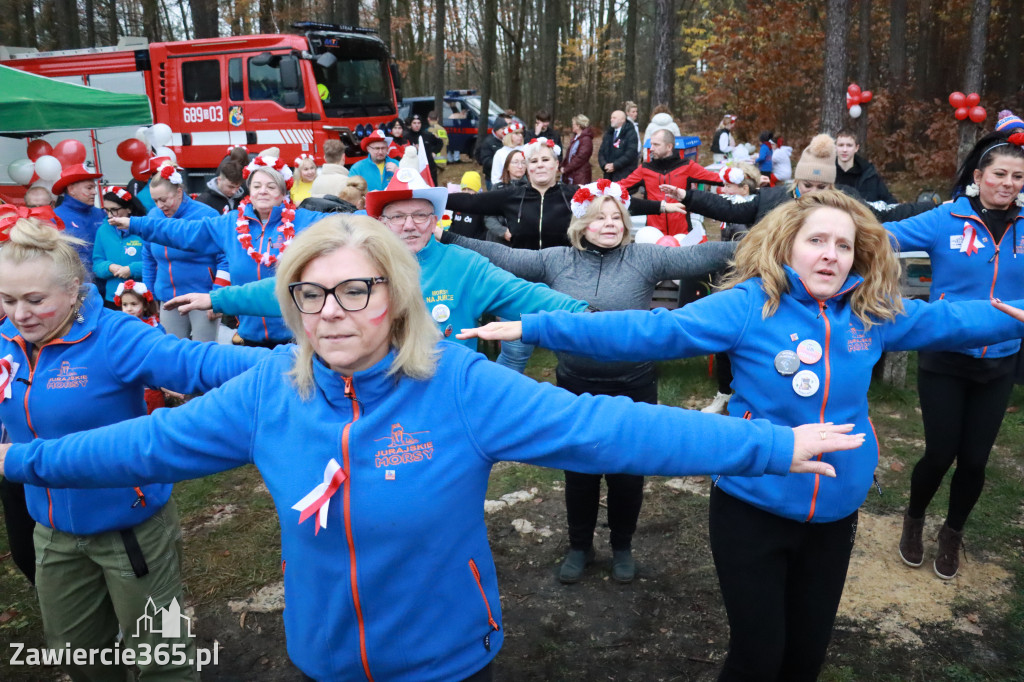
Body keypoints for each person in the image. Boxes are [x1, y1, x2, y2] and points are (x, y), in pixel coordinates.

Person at [0, 213, 864, 682]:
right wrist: (15, 461)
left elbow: (609, 428)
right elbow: (142, 445)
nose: (330, 312)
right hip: (325, 658)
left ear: (399, 299)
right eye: (309, 294)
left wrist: (763, 448)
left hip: (447, 658)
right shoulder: (270, 390)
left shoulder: (459, 385)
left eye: (355, 291)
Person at [462, 189, 1024, 682]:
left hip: (836, 508)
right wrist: (538, 325)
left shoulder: (871, 311)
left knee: (805, 658)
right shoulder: (751, 303)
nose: (830, 254)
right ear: (787, 245)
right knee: (758, 657)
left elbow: (955, 321)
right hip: (753, 502)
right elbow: (653, 330)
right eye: (817, 240)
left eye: (844, 245)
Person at [0, 217, 266, 681]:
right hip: (51, 533)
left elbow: (196, 362)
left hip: (128, 531)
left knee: (161, 656)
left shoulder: (114, 336)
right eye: (7, 300)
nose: (19, 314)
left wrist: (296, 360)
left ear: (76, 292)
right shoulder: (6, 338)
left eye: (35, 300)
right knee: (75, 655)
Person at [439, 180, 736, 583]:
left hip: (633, 386)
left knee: (628, 471)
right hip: (575, 385)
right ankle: (579, 545)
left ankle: (622, 546)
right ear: (582, 224)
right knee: (579, 471)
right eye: (599, 218)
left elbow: (703, 255)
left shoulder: (645, 258)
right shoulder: (556, 260)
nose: (610, 224)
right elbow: (504, 255)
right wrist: (448, 235)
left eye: (617, 217)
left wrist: (764, 241)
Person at [163, 154, 590, 353]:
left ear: (436, 219)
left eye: (421, 216)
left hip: (447, 400)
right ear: (382, 222)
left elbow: (533, 298)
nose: (409, 226)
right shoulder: (358, 260)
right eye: (398, 216)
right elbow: (289, 290)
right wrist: (217, 299)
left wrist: (592, 317)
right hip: (371, 396)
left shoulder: (465, 267)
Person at [888, 129, 1024, 580]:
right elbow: (885, 236)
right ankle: (914, 519)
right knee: (940, 452)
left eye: (1018, 177)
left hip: (1000, 359)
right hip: (945, 357)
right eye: (1000, 174)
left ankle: (952, 532)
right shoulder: (946, 219)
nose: (1008, 183)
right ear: (979, 176)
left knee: (975, 461)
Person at [445, 137, 684, 371]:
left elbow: (620, 202)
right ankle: (498, 401)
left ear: (557, 165)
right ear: (527, 167)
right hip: (520, 282)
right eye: (534, 160)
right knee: (515, 354)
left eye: (545, 159)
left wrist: (662, 206)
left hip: (560, 281)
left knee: (576, 350)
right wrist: (428, 199)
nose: (539, 165)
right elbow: (470, 202)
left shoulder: (574, 195)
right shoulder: (510, 196)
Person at [110, 153, 328, 347]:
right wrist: (136, 224)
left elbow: (347, 223)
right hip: (249, 336)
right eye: (257, 186)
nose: (263, 191)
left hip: (297, 337)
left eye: (271, 187)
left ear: (283, 192)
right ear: (248, 191)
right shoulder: (230, 224)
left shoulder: (303, 221)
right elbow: (184, 231)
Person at [660, 134, 935, 226]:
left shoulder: (847, 200)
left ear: (832, 186)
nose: (814, 192)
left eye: (822, 187)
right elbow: (730, 208)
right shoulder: (773, 199)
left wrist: (937, 206)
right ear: (797, 182)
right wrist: (688, 196)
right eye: (808, 185)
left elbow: (890, 213)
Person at [140, 161, 227, 342]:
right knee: (172, 353)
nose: (160, 205)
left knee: (203, 353)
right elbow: (148, 257)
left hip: (202, 296)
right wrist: (149, 294)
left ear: (179, 192)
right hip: (168, 299)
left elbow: (225, 257)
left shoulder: (206, 215)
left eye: (164, 199)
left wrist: (217, 296)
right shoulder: (153, 216)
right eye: (155, 201)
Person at [701, 163, 761, 416]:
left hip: (750, 283)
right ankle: (723, 394)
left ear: (744, 189)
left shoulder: (755, 213)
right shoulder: (729, 213)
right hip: (727, 281)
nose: (724, 190)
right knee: (725, 342)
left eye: (729, 185)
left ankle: (753, 396)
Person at [620, 128, 721, 237]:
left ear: (669, 147)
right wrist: (601, 187)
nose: (651, 148)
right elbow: (618, 187)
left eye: (656, 145)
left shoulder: (687, 166)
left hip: (682, 233)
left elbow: (717, 178)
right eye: (651, 144)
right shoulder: (644, 169)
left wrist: (737, 175)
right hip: (654, 235)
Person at [92, 185, 146, 307]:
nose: (110, 215)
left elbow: (156, 263)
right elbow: (97, 264)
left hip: (141, 297)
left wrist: (132, 270)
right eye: (106, 210)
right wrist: (109, 267)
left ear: (129, 209)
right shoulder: (103, 230)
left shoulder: (144, 229)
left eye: (114, 209)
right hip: (113, 298)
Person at [52, 162, 105, 273]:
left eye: (94, 188)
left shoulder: (101, 214)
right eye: (89, 188)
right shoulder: (54, 218)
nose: (94, 192)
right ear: (71, 190)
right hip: (73, 282)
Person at [834, 130, 898, 204]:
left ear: (856, 148)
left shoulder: (868, 175)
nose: (844, 150)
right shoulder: (827, 174)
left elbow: (891, 203)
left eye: (849, 145)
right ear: (835, 147)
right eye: (841, 145)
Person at [598, 110, 639, 182]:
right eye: (611, 118)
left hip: (624, 174)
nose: (611, 120)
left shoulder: (631, 133)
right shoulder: (609, 133)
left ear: (622, 120)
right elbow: (601, 151)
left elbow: (630, 153)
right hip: (608, 174)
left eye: (614, 118)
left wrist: (615, 165)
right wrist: (604, 165)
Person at [406, 113, 443, 185]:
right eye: (414, 123)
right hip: (414, 168)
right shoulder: (407, 137)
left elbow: (440, 142)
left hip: (429, 167)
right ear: (411, 124)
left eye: (419, 123)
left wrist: (434, 152)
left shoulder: (427, 135)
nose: (417, 125)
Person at [560, 114, 595, 185]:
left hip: (580, 175)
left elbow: (580, 158)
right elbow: (569, 156)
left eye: (574, 124)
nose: (572, 126)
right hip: (572, 173)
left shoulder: (586, 140)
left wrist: (566, 169)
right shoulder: (576, 138)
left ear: (578, 126)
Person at [489, 122, 526, 187]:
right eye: (516, 133)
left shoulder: (526, 149)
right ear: (509, 135)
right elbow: (496, 177)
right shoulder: (500, 153)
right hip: (505, 188)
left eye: (521, 133)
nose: (520, 135)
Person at [475, 115, 508, 185]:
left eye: (506, 128)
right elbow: (486, 161)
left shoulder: (508, 141)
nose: (505, 131)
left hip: (506, 177)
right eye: (502, 129)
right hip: (491, 178)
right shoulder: (488, 142)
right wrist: (502, 163)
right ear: (496, 130)